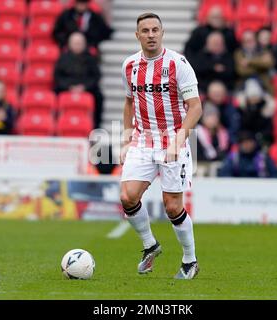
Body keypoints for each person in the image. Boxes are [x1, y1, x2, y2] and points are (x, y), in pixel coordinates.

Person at [120, 13, 202, 279]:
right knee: (128, 196)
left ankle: (190, 260)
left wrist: (179, 139)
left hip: (172, 140)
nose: (151, 34)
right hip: (143, 141)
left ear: (162, 32)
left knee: (172, 207)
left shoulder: (178, 64)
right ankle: (150, 245)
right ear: (137, 35)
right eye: (145, 30)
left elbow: (196, 107)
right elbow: (129, 102)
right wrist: (126, 137)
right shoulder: (129, 65)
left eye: (155, 29)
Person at [54, 32, 103, 129]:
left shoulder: (91, 59)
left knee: (99, 97)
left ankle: (95, 126)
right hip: (66, 87)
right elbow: (58, 76)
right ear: (69, 44)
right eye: (75, 43)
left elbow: (96, 76)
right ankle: (57, 125)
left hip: (86, 88)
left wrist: (84, 87)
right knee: (53, 96)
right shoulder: (63, 58)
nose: (77, 46)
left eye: (79, 43)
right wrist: (69, 87)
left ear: (84, 44)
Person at [236, 78, 275, 148]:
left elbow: (268, 129)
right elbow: (242, 126)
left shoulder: (266, 109)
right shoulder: (242, 109)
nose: (254, 99)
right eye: (251, 97)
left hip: (261, 140)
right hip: (247, 140)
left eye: (256, 96)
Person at [234, 30, 275, 94]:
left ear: (255, 40)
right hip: (244, 85)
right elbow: (241, 71)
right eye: (246, 41)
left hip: (263, 85)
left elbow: (269, 64)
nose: (249, 43)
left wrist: (249, 62)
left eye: (251, 40)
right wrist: (261, 64)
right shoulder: (239, 53)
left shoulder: (263, 51)